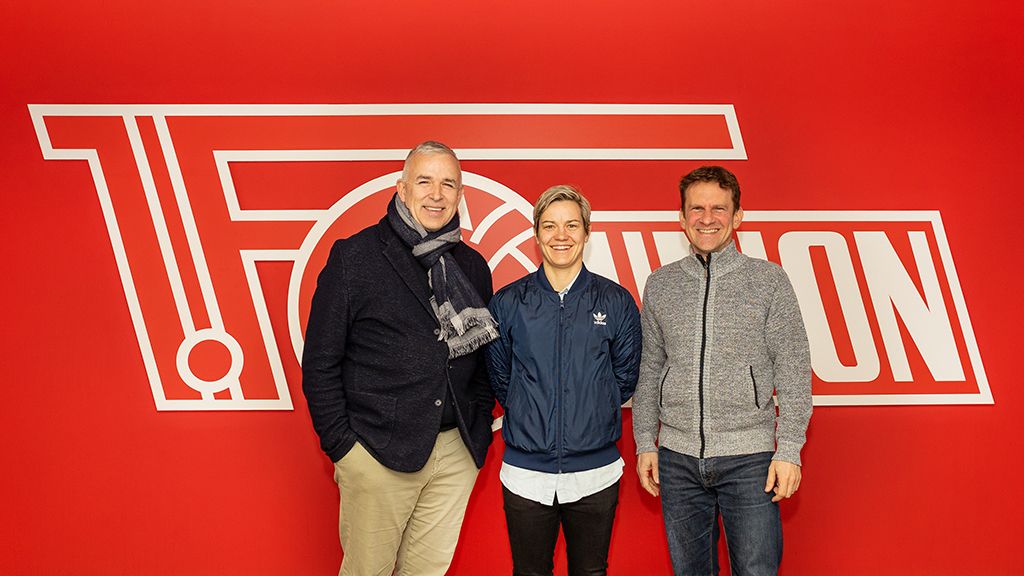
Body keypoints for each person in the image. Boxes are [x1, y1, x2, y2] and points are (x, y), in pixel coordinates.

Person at [301, 141, 499, 576]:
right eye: (424, 181)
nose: (436, 194)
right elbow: (320, 362)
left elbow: (481, 359)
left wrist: (478, 429)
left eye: (448, 184)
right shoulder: (355, 257)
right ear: (402, 188)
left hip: (454, 454)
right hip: (376, 453)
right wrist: (344, 449)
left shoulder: (472, 266)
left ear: (460, 194)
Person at [632, 166, 812, 576]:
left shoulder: (769, 281)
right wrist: (645, 442)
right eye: (697, 209)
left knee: (756, 571)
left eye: (719, 208)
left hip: (750, 459)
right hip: (677, 459)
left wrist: (789, 449)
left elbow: (794, 368)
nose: (707, 218)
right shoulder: (660, 284)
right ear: (682, 218)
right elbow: (650, 368)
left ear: (737, 216)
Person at [486, 185, 642, 576]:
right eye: (550, 225)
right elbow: (501, 378)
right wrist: (528, 408)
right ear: (536, 233)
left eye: (572, 225)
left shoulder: (616, 301)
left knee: (590, 572)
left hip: (596, 474)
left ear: (587, 233)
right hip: (525, 475)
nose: (561, 235)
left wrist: (592, 407)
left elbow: (624, 378)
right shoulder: (508, 302)